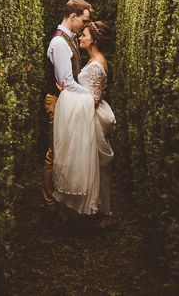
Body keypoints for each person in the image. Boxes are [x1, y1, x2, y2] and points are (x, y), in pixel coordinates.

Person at [52, 20, 115, 225]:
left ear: (93, 40)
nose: (81, 37)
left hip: (92, 120)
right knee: (88, 165)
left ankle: (101, 211)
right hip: (86, 117)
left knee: (95, 165)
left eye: (84, 35)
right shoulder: (93, 59)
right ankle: (89, 209)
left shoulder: (97, 64)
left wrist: (68, 92)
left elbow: (93, 100)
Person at [42, 0, 93, 224]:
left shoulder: (68, 39)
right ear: (72, 16)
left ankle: (58, 203)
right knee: (54, 153)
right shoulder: (60, 43)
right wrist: (91, 95)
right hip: (57, 102)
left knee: (61, 152)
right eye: (83, 20)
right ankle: (50, 207)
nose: (84, 25)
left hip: (67, 101)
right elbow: (66, 81)